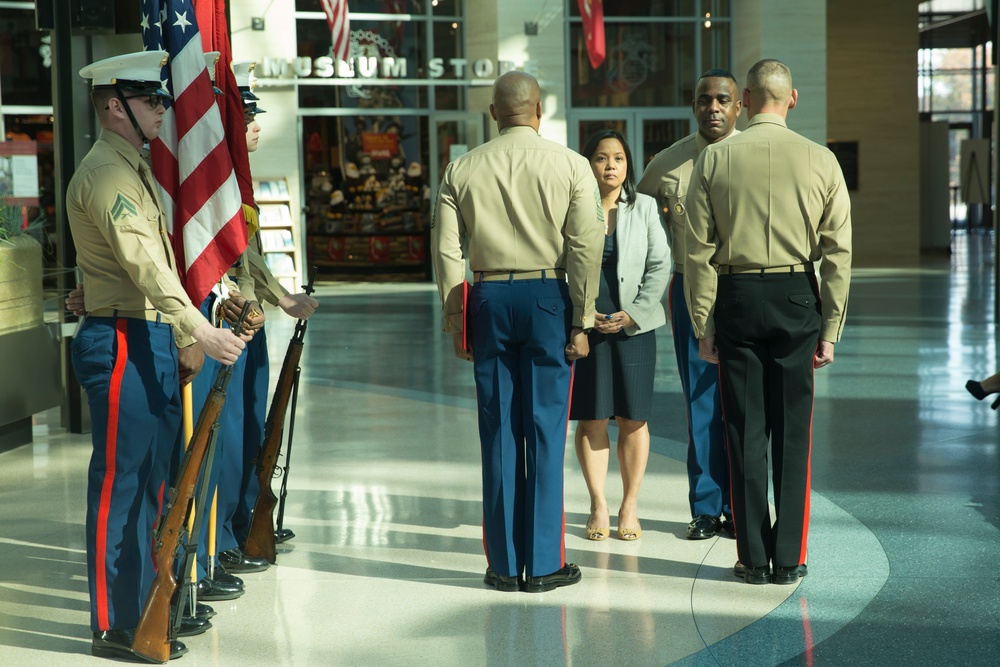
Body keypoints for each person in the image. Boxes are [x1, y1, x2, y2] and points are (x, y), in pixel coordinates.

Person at [67, 50, 246, 661]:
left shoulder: (132, 168)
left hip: (144, 334)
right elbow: (143, 261)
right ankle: (116, 623)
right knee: (123, 484)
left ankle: (148, 605)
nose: (165, 112)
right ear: (116, 106)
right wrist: (196, 323)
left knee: (155, 483)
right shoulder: (109, 173)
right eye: (153, 102)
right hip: (121, 339)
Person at [431, 70, 604, 593]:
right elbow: (587, 245)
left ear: (492, 113)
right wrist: (583, 317)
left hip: (487, 297)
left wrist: (455, 321)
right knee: (547, 430)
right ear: (539, 110)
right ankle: (545, 562)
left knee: (499, 431)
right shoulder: (572, 165)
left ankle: (505, 565)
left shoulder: (460, 168)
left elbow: (446, 250)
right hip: (548, 296)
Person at [684, 59, 852, 585]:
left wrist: (702, 323)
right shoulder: (821, 159)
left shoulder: (713, 159)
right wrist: (830, 329)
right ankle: (789, 558)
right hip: (797, 298)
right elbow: (839, 253)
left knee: (743, 430)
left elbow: (696, 250)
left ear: (746, 101)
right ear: (792, 99)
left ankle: (752, 558)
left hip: (735, 296)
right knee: (793, 434)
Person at [636, 69, 741, 541]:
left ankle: (743, 504)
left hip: (743, 287)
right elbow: (634, 222)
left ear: (739, 107)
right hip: (687, 289)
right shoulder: (667, 164)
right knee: (701, 401)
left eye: (723, 99)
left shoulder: (753, 155)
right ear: (693, 106)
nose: (713, 107)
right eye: (704, 99)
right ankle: (706, 506)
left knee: (744, 401)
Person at [224, 60, 319, 566]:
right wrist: (279, 297)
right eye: (248, 115)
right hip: (230, 318)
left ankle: (244, 521)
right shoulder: (219, 180)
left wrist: (278, 297)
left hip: (250, 316)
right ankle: (227, 535)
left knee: (251, 431)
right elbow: (237, 256)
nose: (256, 125)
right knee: (233, 433)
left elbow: (249, 253)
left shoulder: (240, 178)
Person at [571, 129, 668, 542]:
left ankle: (629, 504)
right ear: (587, 163)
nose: (610, 165)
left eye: (618, 158)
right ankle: (598, 504)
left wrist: (634, 313)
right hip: (588, 323)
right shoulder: (573, 208)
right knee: (593, 416)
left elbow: (660, 265)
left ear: (628, 166)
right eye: (600, 157)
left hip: (635, 325)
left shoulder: (643, 207)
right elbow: (562, 265)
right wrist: (581, 315)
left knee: (633, 417)